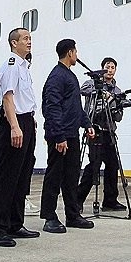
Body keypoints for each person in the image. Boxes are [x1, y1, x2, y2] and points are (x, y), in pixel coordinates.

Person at [0, 28, 40, 247]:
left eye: (29, 38)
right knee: (7, 176)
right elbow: (8, 98)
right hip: (14, 122)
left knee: (22, 175)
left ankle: (15, 223)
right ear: (13, 43)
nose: (29, 41)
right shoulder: (11, 64)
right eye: (25, 39)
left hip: (26, 121)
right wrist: (15, 127)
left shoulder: (23, 66)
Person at [40, 39, 95, 232]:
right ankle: (49, 217)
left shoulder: (69, 76)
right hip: (60, 136)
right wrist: (59, 136)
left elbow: (75, 107)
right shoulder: (57, 76)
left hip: (71, 134)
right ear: (70, 53)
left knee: (71, 176)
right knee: (54, 175)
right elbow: (51, 107)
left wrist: (86, 124)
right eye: (76, 51)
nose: (77, 55)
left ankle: (72, 214)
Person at [77, 56, 127, 211]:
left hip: (109, 132)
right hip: (95, 130)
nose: (110, 70)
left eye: (112, 67)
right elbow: (82, 90)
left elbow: (118, 117)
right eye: (107, 67)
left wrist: (117, 103)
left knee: (113, 165)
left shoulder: (117, 91)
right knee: (94, 165)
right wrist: (101, 92)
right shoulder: (92, 83)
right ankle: (77, 200)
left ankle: (110, 201)